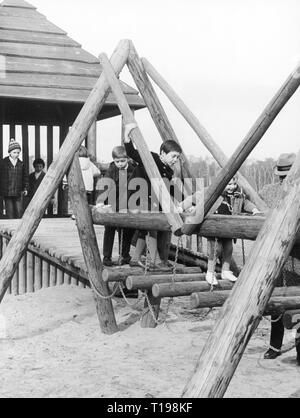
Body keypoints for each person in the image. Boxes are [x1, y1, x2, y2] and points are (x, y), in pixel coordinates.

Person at [259, 153, 300, 365]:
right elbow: (255, 210)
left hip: (297, 257)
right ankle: (275, 346)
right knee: (275, 302)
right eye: (282, 176)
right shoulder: (268, 191)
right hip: (275, 257)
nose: (285, 180)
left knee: (297, 302)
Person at [123, 124, 182, 271]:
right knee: (153, 224)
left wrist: (185, 202)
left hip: (150, 199)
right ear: (162, 153)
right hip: (137, 195)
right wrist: (127, 136)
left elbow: (170, 189)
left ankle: (136, 259)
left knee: (147, 227)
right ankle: (155, 260)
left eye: (177, 157)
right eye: (173, 156)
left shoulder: (169, 170)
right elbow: (132, 153)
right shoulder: (152, 158)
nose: (175, 159)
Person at [205, 177, 261, 286]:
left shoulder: (238, 195)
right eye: (229, 184)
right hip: (215, 226)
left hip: (229, 227)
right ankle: (210, 272)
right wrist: (188, 207)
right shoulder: (215, 193)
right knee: (215, 250)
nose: (231, 187)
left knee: (229, 249)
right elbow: (198, 199)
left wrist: (254, 209)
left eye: (234, 184)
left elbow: (246, 203)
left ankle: (225, 271)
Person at [97, 145, 136, 266]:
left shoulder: (133, 169)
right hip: (113, 201)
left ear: (127, 159)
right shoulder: (112, 169)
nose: (120, 164)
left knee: (126, 229)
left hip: (127, 202)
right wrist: (101, 201)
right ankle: (107, 256)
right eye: (117, 161)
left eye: (122, 161)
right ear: (113, 160)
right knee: (109, 229)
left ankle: (124, 254)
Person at [0, 139, 28, 219]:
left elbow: (25, 177)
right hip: (7, 191)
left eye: (18, 153)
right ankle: (11, 227)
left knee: (19, 210)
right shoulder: (3, 163)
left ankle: (18, 227)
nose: (16, 154)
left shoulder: (21, 164)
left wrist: (25, 188)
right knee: (10, 211)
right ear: (9, 152)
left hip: (18, 191)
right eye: (14, 152)